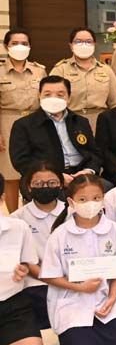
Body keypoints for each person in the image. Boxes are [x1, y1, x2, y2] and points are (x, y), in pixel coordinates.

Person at [39, 174, 116, 345]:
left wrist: (112, 298)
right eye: (83, 199)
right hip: (71, 301)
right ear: (71, 202)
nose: (90, 203)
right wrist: (80, 287)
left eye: (96, 198)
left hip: (104, 298)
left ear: (103, 199)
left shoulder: (115, 230)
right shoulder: (59, 235)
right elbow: (49, 276)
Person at [9, 75, 103, 182]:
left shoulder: (81, 121)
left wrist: (88, 171)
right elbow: (21, 161)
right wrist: (53, 176)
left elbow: (94, 153)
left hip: (82, 175)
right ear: (39, 96)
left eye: (60, 95)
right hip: (45, 179)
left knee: (106, 187)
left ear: (69, 98)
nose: (53, 99)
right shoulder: (23, 125)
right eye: (47, 95)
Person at [10, 162, 66, 330]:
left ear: (61, 184)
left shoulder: (73, 212)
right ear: (28, 186)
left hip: (72, 277)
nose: (45, 187)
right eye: (38, 184)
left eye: (52, 183)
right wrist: (52, 280)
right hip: (37, 281)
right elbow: (25, 261)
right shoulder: (17, 219)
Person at [0, 28, 47, 211]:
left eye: (24, 43)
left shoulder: (39, 70)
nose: (20, 47)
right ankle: (14, 216)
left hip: (35, 122)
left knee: (35, 170)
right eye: (15, 43)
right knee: (11, 175)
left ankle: (35, 212)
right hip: (8, 123)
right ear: (6, 46)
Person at [0, 184, 44, 345]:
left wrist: (23, 270)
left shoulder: (18, 227)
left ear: (2, 198)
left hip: (12, 302)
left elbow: (27, 263)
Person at [50, 27, 116, 131]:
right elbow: (52, 100)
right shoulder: (60, 69)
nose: (84, 45)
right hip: (70, 121)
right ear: (71, 45)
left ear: (94, 44)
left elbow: (115, 102)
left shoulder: (106, 70)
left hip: (101, 122)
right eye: (78, 41)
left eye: (88, 41)